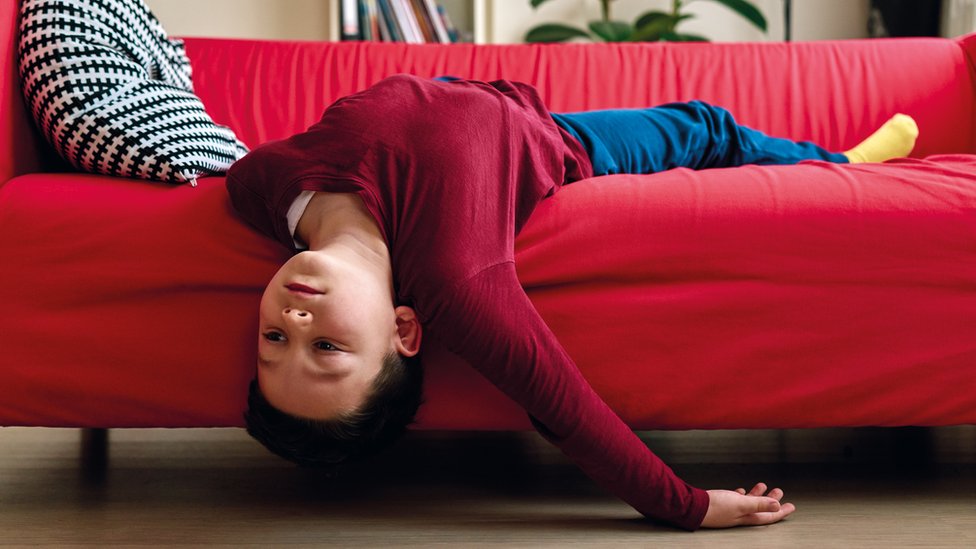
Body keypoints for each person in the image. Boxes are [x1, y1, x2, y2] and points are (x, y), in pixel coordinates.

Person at [225, 74, 918, 530]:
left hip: (495, 97)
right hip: (560, 141)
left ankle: (836, 160)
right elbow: (561, 402)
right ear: (404, 329)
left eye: (274, 342)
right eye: (326, 347)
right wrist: (685, 505)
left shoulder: (257, 186)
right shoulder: (455, 277)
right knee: (706, 126)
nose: (294, 319)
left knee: (707, 123)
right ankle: (846, 166)